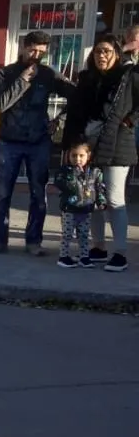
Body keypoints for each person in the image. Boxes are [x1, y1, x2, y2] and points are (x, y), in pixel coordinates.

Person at [0, 30, 77, 257]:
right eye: (33, 49)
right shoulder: (5, 73)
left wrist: (59, 120)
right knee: (2, 193)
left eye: (41, 52)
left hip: (39, 142)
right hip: (9, 141)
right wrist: (23, 79)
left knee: (39, 194)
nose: (36, 55)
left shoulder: (48, 75)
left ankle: (34, 242)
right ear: (24, 47)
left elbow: (76, 96)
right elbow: (1, 104)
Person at [61, 34, 139, 272]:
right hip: (88, 146)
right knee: (91, 198)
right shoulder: (87, 79)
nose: (101, 56)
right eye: (97, 52)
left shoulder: (129, 76)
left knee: (115, 200)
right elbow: (75, 113)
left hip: (117, 144)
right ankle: (98, 247)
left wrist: (130, 120)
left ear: (116, 53)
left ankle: (120, 253)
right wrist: (69, 145)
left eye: (106, 51)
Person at [52, 140, 105, 268]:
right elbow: (58, 182)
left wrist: (101, 201)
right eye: (74, 155)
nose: (77, 159)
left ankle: (84, 257)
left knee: (84, 235)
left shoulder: (94, 172)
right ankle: (63, 257)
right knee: (67, 234)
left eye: (81, 156)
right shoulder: (65, 171)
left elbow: (99, 187)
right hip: (69, 208)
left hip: (86, 209)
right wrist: (72, 176)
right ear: (68, 156)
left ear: (88, 156)